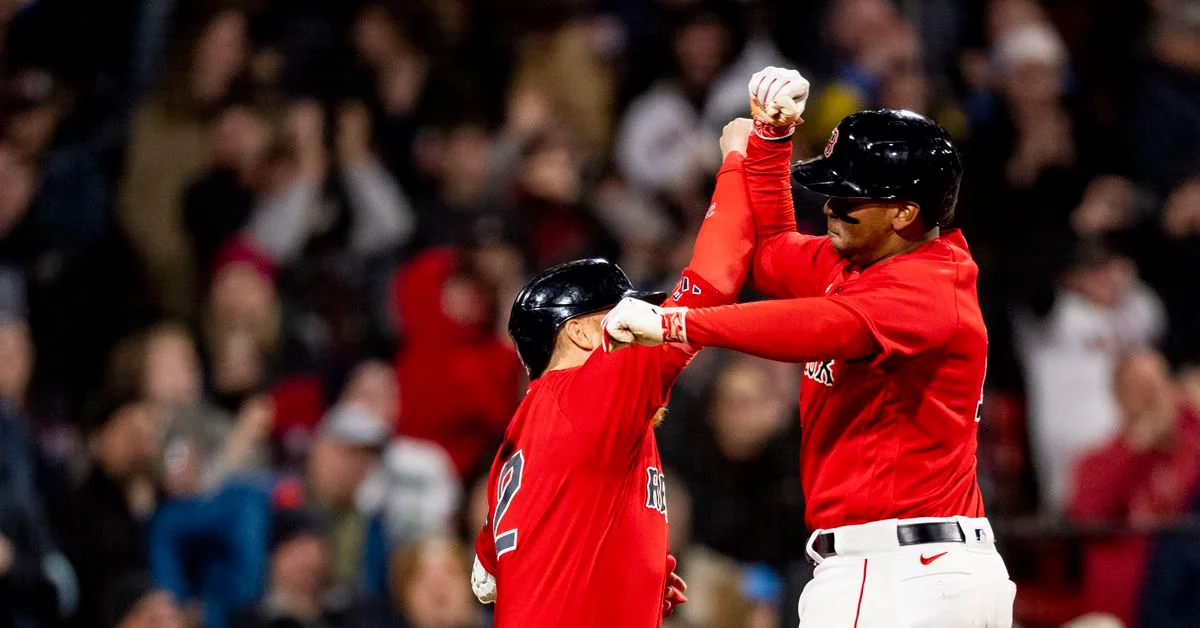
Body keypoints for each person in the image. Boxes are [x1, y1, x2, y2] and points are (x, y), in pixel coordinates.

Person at [604, 66, 1015, 626]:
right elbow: (772, 254)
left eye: (850, 198)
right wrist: (773, 139)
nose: (829, 205)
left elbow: (816, 326)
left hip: (900, 570)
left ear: (904, 212)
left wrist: (677, 324)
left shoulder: (929, 287)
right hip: (920, 567)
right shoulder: (863, 261)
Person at [470, 119, 759, 626]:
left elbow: (494, 564)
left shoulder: (521, 435)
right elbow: (709, 287)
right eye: (622, 314)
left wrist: (630, 567)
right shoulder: (594, 387)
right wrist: (739, 163)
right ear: (581, 333)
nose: (638, 324)